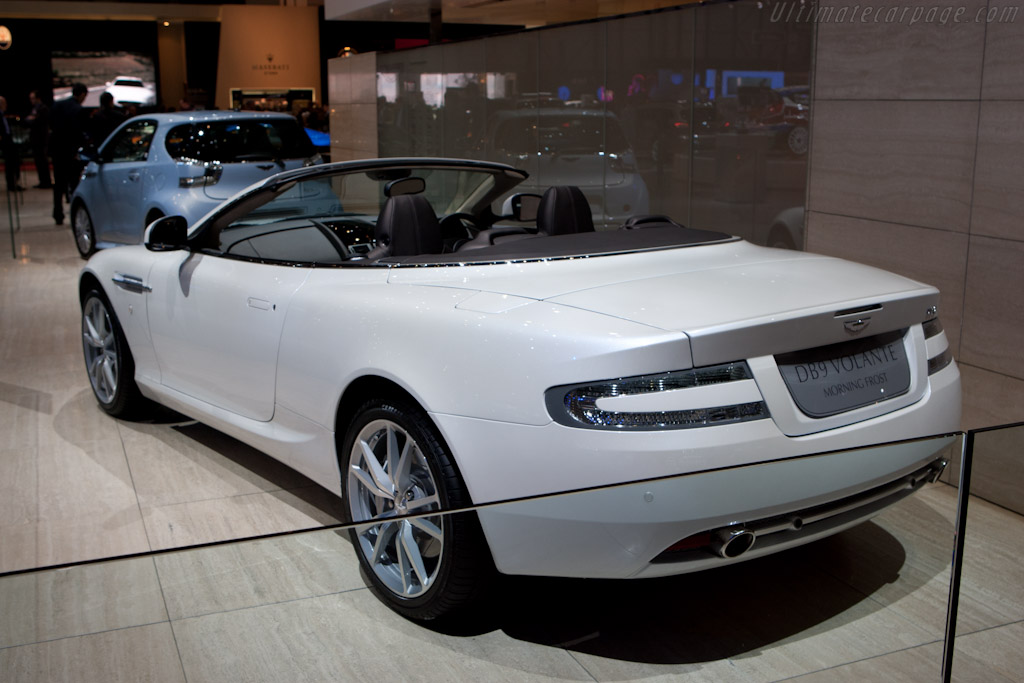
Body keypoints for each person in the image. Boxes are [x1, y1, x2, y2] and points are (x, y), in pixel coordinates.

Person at [50, 83, 88, 225]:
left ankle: (58, 213)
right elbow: (78, 134)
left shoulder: (57, 106)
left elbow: (52, 126)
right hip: (71, 153)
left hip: (57, 151)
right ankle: (74, 213)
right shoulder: (78, 110)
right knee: (74, 183)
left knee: (58, 184)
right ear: (83, 94)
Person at [26, 90, 52, 189]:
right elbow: (28, 120)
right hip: (35, 138)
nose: (31, 100)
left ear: (38, 98)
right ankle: (42, 181)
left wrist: (32, 119)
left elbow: (37, 121)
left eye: (33, 98)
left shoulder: (43, 108)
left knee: (42, 161)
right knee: (38, 161)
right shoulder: (35, 109)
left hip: (41, 139)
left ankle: (46, 181)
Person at [0, 95, 24, 192]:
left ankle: (14, 182)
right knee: (10, 164)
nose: (6, 105)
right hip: (5, 143)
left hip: (9, 141)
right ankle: (11, 184)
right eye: (4, 103)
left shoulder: (3, 115)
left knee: (15, 162)